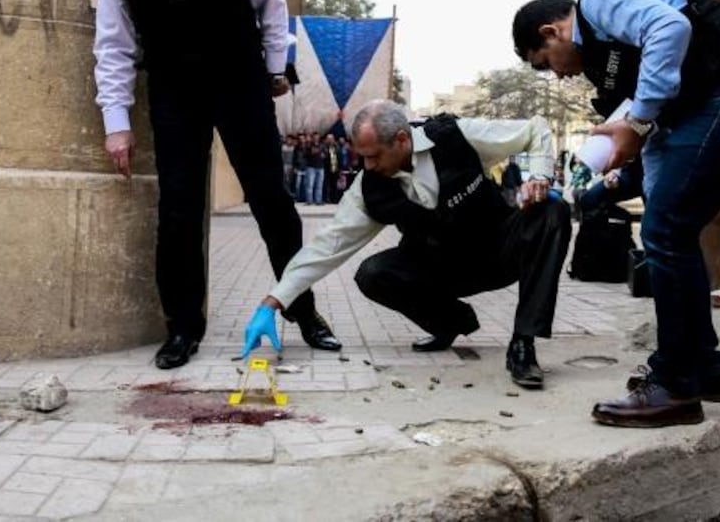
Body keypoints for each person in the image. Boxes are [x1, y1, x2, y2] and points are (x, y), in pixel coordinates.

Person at [512, 0, 720, 427]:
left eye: (545, 63)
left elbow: (670, 28)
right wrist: (639, 155)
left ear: (552, 32)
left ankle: (675, 385)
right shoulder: (614, 60)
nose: (559, 76)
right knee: (671, 230)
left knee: (666, 230)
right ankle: (702, 371)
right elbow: (655, 135)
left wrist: (637, 122)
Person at [92, 0, 340, 369]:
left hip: (239, 82)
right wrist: (117, 123)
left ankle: (304, 311)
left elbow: (270, 2)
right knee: (178, 210)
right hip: (174, 93)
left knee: (272, 202)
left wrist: (273, 70)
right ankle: (182, 327)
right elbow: (113, 47)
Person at [240, 100, 571, 389]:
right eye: (362, 157)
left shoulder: (456, 135)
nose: (368, 166)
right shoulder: (368, 187)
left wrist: (539, 178)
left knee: (552, 211)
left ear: (401, 140)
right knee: (373, 273)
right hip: (443, 268)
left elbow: (535, 130)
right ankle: (449, 323)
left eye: (374, 156)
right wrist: (272, 302)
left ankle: (523, 343)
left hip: (498, 250)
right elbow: (327, 247)